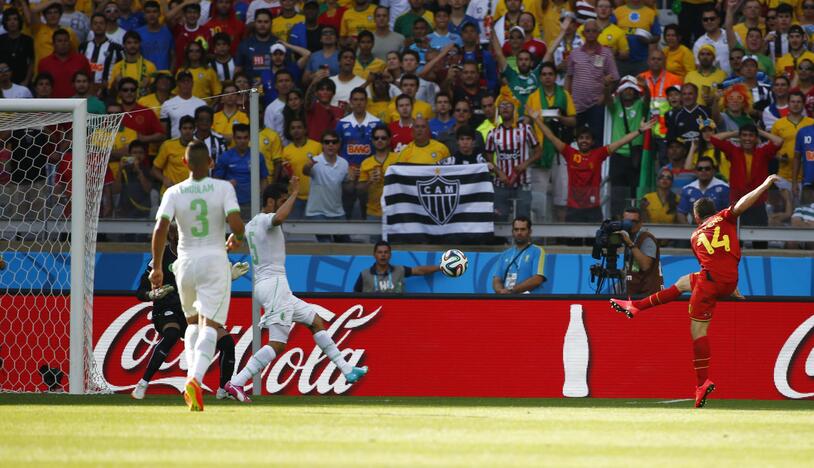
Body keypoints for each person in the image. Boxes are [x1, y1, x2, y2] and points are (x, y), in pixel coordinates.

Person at [610, 174, 783, 408]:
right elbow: (738, 215)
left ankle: (702, 384)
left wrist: (764, 185)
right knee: (682, 283)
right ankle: (636, 307)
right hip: (728, 279)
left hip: (712, 283)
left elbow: (711, 261)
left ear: (696, 216)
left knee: (698, 330)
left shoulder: (695, 236)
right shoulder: (725, 217)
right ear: (715, 210)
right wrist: (764, 185)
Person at [224, 180, 368, 403]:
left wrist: (232, 242)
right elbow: (278, 217)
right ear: (270, 201)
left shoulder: (251, 223)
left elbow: (237, 238)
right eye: (281, 201)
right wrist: (294, 194)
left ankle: (346, 369)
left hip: (274, 285)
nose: (285, 205)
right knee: (278, 344)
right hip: (274, 285)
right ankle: (236, 382)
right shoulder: (264, 220)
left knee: (315, 321)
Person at [150, 140, 246, 411]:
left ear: (184, 163)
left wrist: (157, 267)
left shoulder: (174, 192)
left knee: (191, 323)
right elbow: (237, 224)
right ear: (211, 163)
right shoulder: (223, 188)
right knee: (211, 326)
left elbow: (159, 230)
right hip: (214, 260)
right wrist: (236, 238)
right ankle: (194, 379)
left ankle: (191, 382)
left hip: (185, 262)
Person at [132, 223, 246, 400]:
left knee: (227, 343)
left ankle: (223, 389)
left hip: (192, 311)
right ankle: (143, 383)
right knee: (172, 333)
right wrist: (152, 294)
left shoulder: (196, 257)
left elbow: (209, 282)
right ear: (172, 239)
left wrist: (228, 277)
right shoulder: (159, 259)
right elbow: (140, 291)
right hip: (167, 309)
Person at [533, 116, 656, 222]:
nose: (584, 141)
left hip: (593, 208)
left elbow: (620, 143)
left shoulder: (598, 154)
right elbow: (551, 137)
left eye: (587, 138)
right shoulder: (570, 153)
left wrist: (640, 131)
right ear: (577, 141)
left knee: (595, 244)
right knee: (570, 245)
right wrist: (536, 120)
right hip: (573, 208)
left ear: (592, 142)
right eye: (581, 138)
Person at [486, 100, 541, 221]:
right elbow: (488, 158)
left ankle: (524, 240)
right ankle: (503, 241)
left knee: (523, 217)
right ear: (498, 110)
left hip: (523, 182)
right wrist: (498, 172)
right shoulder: (492, 134)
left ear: (514, 109)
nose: (505, 108)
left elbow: (538, 151)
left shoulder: (526, 129)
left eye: (508, 105)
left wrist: (525, 164)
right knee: (499, 218)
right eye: (502, 106)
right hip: (501, 183)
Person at [213, 123, 269, 218]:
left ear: (249, 138)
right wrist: (227, 183)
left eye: (245, 137)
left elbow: (264, 179)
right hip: (231, 202)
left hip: (253, 203)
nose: (242, 141)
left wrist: (264, 199)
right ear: (234, 138)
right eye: (239, 138)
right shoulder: (225, 157)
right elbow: (216, 181)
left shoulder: (257, 156)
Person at [303, 130, 350, 242]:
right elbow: (305, 171)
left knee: (345, 245)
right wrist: (308, 166)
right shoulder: (315, 161)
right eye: (327, 142)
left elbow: (347, 187)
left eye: (334, 142)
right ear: (322, 145)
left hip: (338, 212)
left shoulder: (344, 163)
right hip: (317, 212)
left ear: (339, 144)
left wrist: (352, 178)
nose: (330, 145)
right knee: (326, 244)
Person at [354, 240, 442, 292]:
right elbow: (354, 297)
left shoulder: (400, 270)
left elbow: (420, 270)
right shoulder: (364, 274)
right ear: (374, 255)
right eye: (380, 252)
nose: (383, 255)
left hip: (396, 314)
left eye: (386, 252)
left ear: (390, 255)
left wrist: (440, 267)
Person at [492, 216, 545, 295]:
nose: (519, 232)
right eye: (516, 229)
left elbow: (537, 279)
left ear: (530, 231)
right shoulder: (505, 254)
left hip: (530, 301)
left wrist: (512, 290)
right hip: (508, 301)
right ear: (512, 232)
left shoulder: (537, 251)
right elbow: (497, 279)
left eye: (523, 229)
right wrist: (500, 291)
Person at [357, 125, 398, 222]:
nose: (379, 140)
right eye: (376, 138)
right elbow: (359, 192)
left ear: (389, 140)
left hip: (394, 211)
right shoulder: (366, 163)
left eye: (383, 138)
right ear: (372, 140)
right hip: (373, 212)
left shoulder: (398, 158)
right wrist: (369, 182)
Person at [618, 207, 662, 296]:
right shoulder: (629, 237)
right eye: (627, 221)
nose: (630, 225)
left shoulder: (646, 239)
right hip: (635, 292)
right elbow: (634, 267)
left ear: (641, 223)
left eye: (634, 221)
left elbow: (645, 266)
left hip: (647, 295)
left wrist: (630, 244)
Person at [678, 156, 730, 224]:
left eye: (707, 168)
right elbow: (681, 213)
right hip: (694, 230)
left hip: (717, 230)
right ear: (695, 171)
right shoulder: (687, 189)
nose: (703, 171)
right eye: (700, 169)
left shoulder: (724, 188)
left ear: (713, 170)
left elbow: (729, 213)